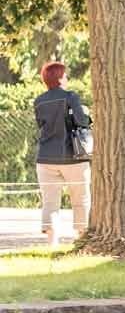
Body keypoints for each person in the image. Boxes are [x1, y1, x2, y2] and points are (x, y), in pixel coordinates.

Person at [33, 61, 91, 247]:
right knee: (80, 198)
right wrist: (87, 114)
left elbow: (41, 125)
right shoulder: (70, 96)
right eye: (65, 75)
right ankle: (80, 238)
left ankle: (52, 243)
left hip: (45, 157)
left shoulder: (39, 101)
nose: (67, 78)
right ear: (60, 78)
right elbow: (81, 121)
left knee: (50, 202)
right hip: (72, 156)